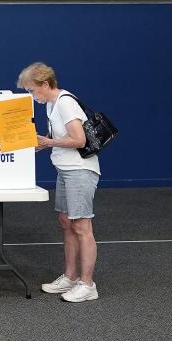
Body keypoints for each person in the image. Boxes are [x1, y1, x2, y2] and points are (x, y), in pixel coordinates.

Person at [17, 62, 101, 302]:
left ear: (45, 84)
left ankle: (88, 284)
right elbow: (55, 139)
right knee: (66, 222)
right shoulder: (52, 105)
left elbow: (78, 139)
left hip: (80, 171)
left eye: (32, 90)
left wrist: (47, 142)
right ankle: (70, 277)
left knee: (82, 227)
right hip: (65, 169)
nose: (32, 96)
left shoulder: (65, 103)